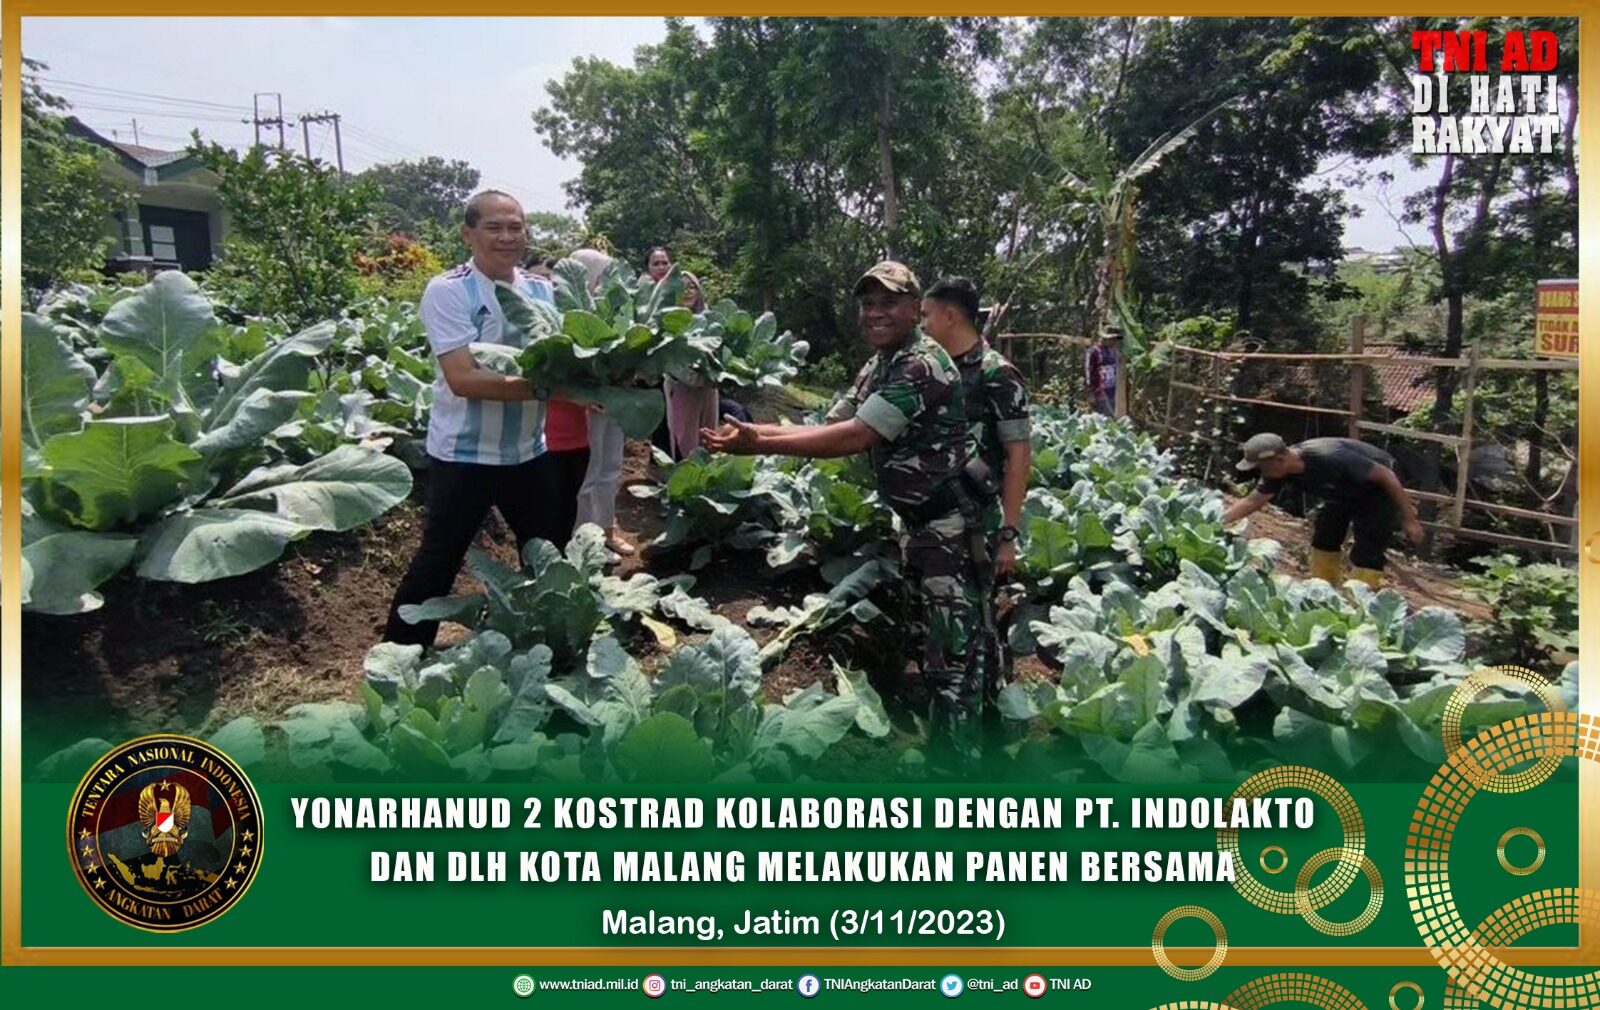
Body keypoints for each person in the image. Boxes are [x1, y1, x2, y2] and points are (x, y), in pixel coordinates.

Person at [700, 261, 983, 765]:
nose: (875, 313)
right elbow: (830, 422)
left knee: (953, 658)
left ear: (916, 308)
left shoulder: (919, 364)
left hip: (950, 530)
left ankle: (962, 771)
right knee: (934, 646)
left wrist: (757, 445)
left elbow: (854, 437)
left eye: (889, 302)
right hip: (918, 527)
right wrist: (753, 437)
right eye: (868, 303)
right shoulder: (881, 364)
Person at [383, 190, 579, 647]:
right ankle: (401, 656)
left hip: (529, 452)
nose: (508, 236)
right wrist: (555, 389)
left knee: (548, 556)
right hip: (465, 455)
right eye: (494, 227)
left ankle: (548, 647)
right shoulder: (449, 290)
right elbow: (463, 379)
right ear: (469, 234)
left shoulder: (542, 291)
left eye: (516, 227)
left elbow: (573, 357)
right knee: (439, 560)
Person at [920, 276, 1032, 713]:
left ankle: (975, 730)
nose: (922, 324)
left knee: (971, 630)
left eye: (927, 315)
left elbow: (1019, 456)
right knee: (948, 631)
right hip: (935, 523)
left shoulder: (997, 374)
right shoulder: (932, 368)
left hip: (975, 522)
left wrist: (1008, 533)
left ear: (951, 316)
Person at [1221, 433, 1426, 589]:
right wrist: (1218, 522)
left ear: (1278, 459)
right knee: (1325, 535)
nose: (1260, 472)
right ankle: (1323, 589)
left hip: (1377, 490)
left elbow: (1387, 476)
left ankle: (1360, 600)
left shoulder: (1328, 458)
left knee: (1368, 548)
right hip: (1342, 491)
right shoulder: (1277, 472)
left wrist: (1410, 519)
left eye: (1260, 466)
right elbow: (1253, 500)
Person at [569, 247, 634, 556]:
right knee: (588, 473)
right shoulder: (571, 309)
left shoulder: (618, 308)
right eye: (602, 274)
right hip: (588, 406)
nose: (609, 280)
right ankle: (584, 542)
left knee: (611, 466)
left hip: (615, 403)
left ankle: (607, 530)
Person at [652, 248, 720, 460]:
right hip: (680, 389)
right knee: (682, 437)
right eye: (683, 288)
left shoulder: (710, 318)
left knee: (708, 435)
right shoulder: (666, 320)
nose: (689, 292)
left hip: (708, 389)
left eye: (693, 287)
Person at [1085, 325, 1122, 416]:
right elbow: (1089, 372)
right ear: (1104, 339)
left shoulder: (1114, 350)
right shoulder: (1094, 351)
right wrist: (1090, 393)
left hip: (1113, 390)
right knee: (1107, 417)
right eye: (1112, 339)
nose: (1114, 342)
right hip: (1101, 391)